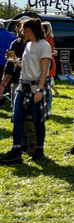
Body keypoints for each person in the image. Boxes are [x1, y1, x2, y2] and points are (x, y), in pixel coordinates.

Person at [0, 18, 52, 164]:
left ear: (30, 30)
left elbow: (43, 71)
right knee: (17, 118)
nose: (20, 31)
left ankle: (39, 150)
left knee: (37, 121)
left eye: (22, 29)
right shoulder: (27, 45)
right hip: (23, 86)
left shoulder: (44, 45)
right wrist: (16, 61)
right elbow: (27, 67)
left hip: (36, 87)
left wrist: (40, 90)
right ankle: (16, 151)